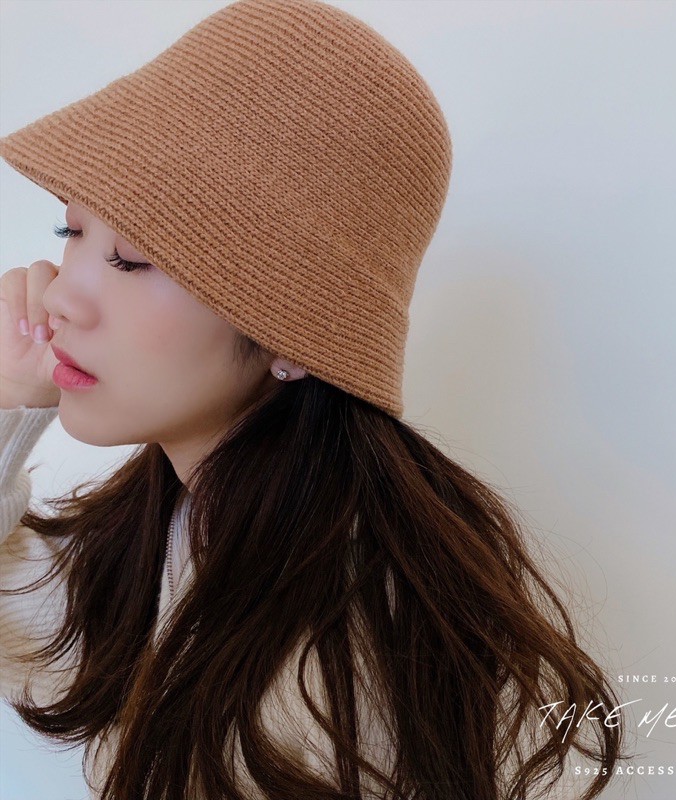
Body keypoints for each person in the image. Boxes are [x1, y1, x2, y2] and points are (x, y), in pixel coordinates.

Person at [0, 1, 628, 798]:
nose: (62, 296)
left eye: (131, 259)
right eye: (72, 234)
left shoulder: (330, 677)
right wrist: (12, 402)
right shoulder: (186, 533)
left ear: (295, 333)